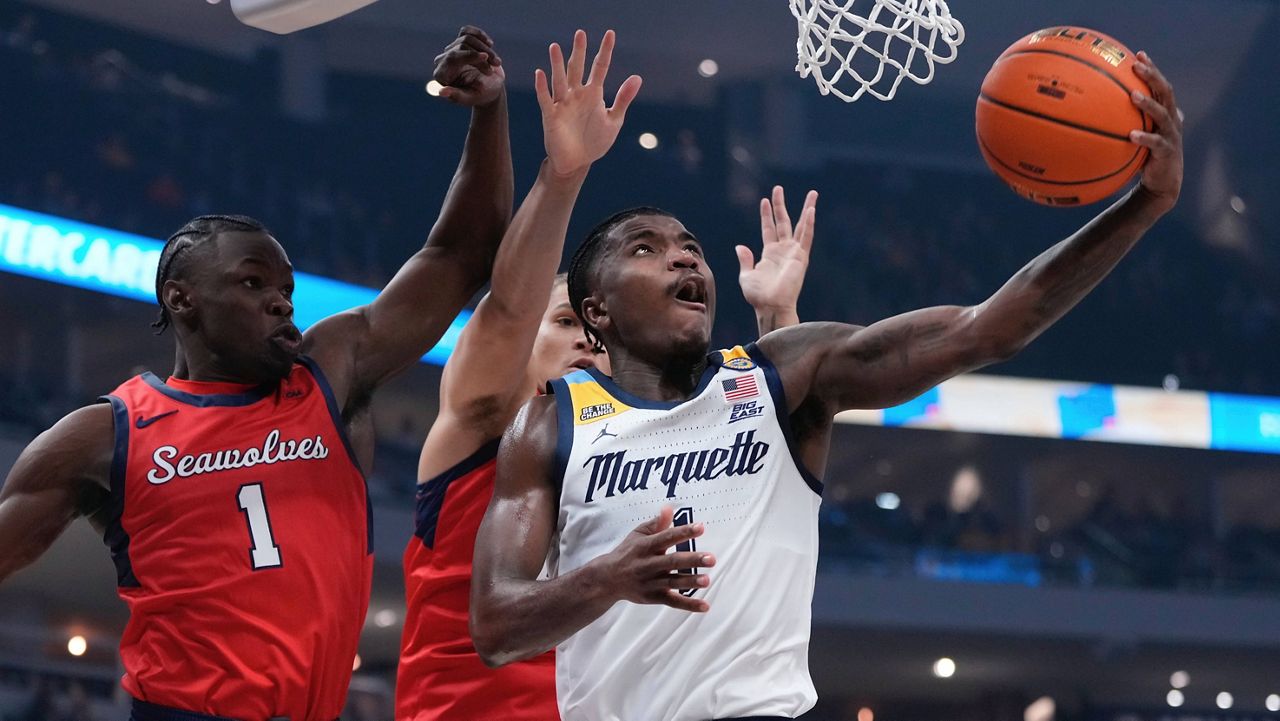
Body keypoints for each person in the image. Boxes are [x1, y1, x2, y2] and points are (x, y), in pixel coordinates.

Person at [470, 53, 1184, 721]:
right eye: (647, 248)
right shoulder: (551, 424)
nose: (683, 255)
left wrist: (1141, 207)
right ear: (596, 311)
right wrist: (607, 577)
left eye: (690, 245)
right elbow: (497, 625)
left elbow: (986, 328)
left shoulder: (784, 375)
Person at [0, 26, 513, 721]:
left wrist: (489, 112)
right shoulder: (103, 434)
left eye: (285, 287)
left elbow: (462, 253)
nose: (280, 298)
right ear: (183, 298)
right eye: (252, 282)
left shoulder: (329, 371)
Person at [396, 30, 817, 721]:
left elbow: (777, 454)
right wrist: (562, 174)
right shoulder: (480, 427)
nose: (589, 346)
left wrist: (779, 317)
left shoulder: (642, 446)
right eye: (566, 323)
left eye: (597, 334)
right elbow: (507, 309)